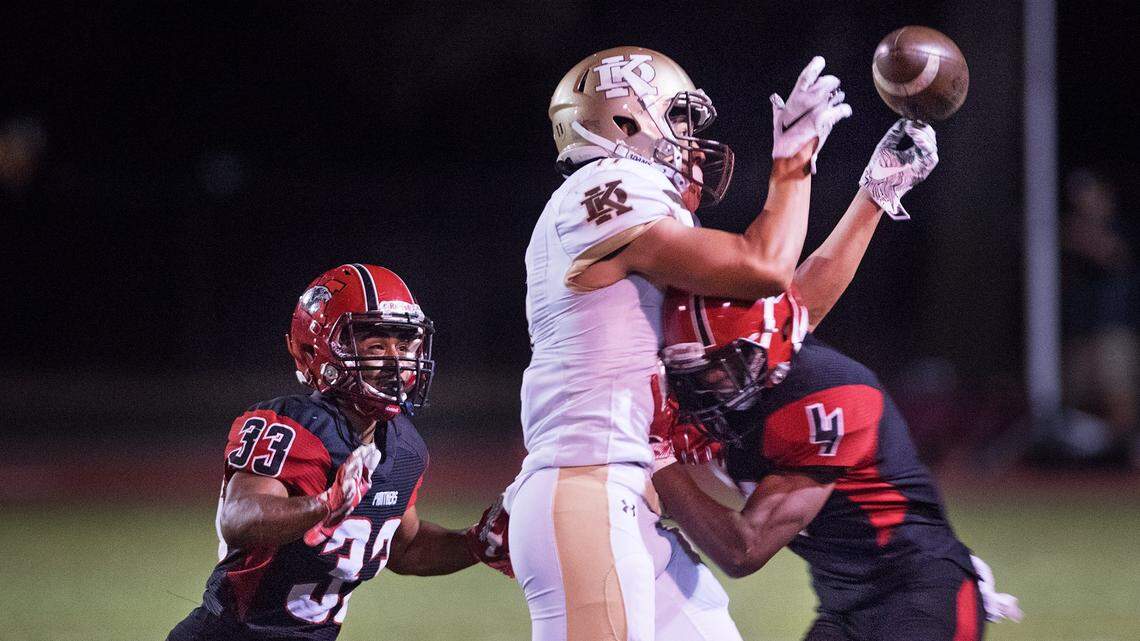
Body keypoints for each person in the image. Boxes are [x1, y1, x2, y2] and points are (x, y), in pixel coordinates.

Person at [505, 45, 852, 641]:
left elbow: (782, 312)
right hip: (589, 483)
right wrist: (792, 162)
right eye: (681, 118)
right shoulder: (607, 187)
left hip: (626, 494)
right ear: (624, 119)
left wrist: (868, 193)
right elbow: (763, 265)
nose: (690, 138)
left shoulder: (637, 211)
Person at [649, 123, 1022, 641]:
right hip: (845, 607)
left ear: (764, 358)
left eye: (715, 368)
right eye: (687, 369)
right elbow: (799, 301)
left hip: (920, 595)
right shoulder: (741, 370)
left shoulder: (831, 398)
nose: (699, 386)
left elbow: (744, 549)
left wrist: (658, 460)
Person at [167, 263, 508, 641]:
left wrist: (476, 543)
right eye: (377, 344)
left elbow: (405, 547)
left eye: (406, 343)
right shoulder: (293, 427)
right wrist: (325, 505)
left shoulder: (405, 447)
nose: (396, 360)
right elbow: (240, 519)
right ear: (321, 348)